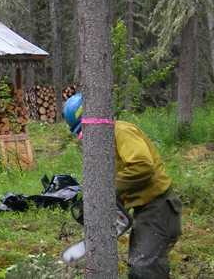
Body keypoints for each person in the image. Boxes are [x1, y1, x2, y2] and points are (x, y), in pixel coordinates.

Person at [63, 93, 182, 279]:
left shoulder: (121, 131)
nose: (83, 138)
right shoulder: (104, 144)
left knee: (145, 269)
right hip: (145, 208)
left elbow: (143, 166)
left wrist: (107, 191)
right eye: (79, 133)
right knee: (139, 264)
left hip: (159, 206)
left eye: (83, 130)